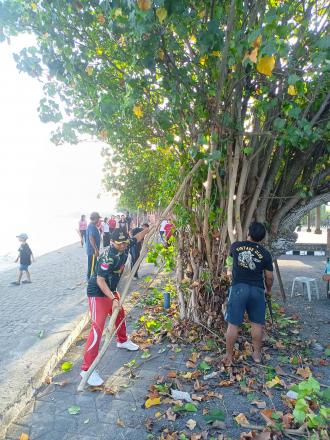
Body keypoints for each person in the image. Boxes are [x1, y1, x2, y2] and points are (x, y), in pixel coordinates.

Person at [80, 226, 150, 386]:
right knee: (97, 329)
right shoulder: (108, 256)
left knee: (120, 315)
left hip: (111, 290)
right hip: (98, 293)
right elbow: (100, 280)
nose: (123, 246)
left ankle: (122, 340)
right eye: (119, 244)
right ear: (111, 242)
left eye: (124, 243)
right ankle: (86, 369)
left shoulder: (125, 243)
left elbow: (137, 238)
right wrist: (113, 298)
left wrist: (150, 228)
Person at [222, 222, 273, 366]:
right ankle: (256, 355)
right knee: (257, 324)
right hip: (257, 290)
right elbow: (269, 277)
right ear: (262, 238)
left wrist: (230, 274)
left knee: (233, 324)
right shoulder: (265, 253)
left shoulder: (236, 246)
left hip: (238, 289)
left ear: (248, 233)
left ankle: (229, 356)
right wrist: (268, 290)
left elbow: (230, 264)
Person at [86, 212, 101, 279]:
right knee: (92, 266)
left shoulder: (92, 226)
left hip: (92, 250)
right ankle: (90, 280)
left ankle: (90, 278)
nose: (99, 220)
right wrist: (96, 249)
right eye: (98, 218)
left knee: (93, 265)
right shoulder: (91, 226)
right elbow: (91, 238)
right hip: (92, 251)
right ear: (95, 218)